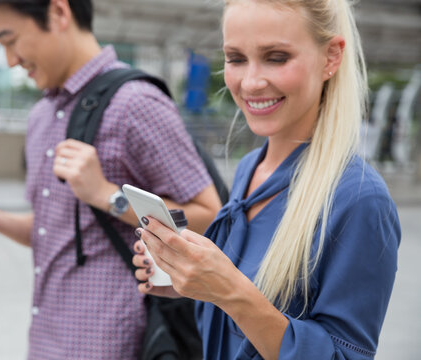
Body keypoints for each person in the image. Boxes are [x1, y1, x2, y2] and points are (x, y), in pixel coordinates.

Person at [0, 0, 222, 358]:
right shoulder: (42, 114)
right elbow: (54, 230)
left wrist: (107, 195)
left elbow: (211, 215)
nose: (10, 60)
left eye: (10, 40)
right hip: (46, 338)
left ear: (58, 12)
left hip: (114, 343)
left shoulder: (136, 103)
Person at [133, 0, 401, 359]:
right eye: (236, 59)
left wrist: (230, 291)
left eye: (276, 57)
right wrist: (188, 281)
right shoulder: (248, 168)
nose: (251, 82)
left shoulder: (359, 199)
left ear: (331, 58)